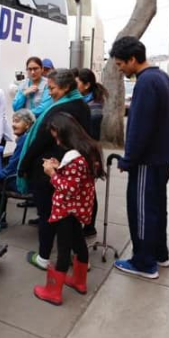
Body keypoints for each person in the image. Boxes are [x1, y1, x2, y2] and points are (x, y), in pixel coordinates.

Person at [109, 37, 169, 279]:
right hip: (162, 158)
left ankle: (144, 263)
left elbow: (139, 127)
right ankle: (160, 254)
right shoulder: (162, 78)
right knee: (157, 209)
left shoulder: (145, 83)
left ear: (132, 59)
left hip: (148, 161)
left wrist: (129, 159)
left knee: (142, 211)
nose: (120, 69)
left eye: (120, 64)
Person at [17, 68, 91, 271]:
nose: (49, 92)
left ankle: (43, 257)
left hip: (50, 171)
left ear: (66, 87)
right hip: (67, 169)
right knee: (69, 221)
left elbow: (40, 140)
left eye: (52, 88)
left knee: (48, 216)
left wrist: (22, 166)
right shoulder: (81, 105)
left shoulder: (61, 109)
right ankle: (78, 260)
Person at [33, 113, 104, 305]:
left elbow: (68, 188)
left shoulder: (75, 159)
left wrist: (52, 173)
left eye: (57, 136)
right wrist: (60, 167)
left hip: (67, 209)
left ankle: (53, 291)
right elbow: (78, 179)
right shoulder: (87, 151)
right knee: (79, 243)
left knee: (63, 250)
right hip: (78, 209)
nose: (56, 140)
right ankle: (79, 282)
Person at [0, 108, 35, 229]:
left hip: (26, 183)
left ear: (28, 124)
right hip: (32, 179)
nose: (13, 124)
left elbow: (13, 165)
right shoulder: (30, 137)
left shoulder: (24, 140)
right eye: (13, 121)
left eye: (17, 121)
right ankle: (0, 219)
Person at [75, 68, 108, 238]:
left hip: (88, 154)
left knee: (88, 190)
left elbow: (90, 136)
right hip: (83, 152)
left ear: (87, 85)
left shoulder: (93, 108)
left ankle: (89, 226)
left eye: (77, 83)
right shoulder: (84, 102)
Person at [75, 68, 108, 141]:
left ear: (87, 85)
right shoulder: (81, 101)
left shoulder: (95, 107)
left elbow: (93, 135)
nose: (74, 87)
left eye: (76, 84)